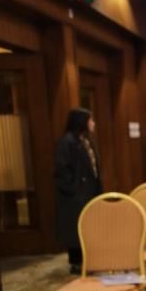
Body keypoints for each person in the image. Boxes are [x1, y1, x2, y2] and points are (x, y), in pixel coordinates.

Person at [54, 108, 102, 275]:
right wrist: (75, 189)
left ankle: (90, 260)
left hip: (90, 192)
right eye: (90, 120)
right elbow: (62, 170)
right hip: (74, 196)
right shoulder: (67, 142)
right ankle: (76, 263)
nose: (93, 123)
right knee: (75, 229)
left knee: (88, 227)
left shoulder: (86, 140)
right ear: (82, 122)